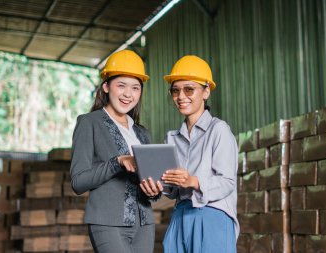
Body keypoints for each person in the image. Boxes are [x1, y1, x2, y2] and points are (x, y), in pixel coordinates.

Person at [140, 55, 239, 253]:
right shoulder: (172, 138)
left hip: (212, 216)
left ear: (206, 91)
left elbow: (228, 182)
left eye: (189, 89)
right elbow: (173, 189)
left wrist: (194, 181)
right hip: (180, 216)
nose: (181, 96)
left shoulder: (219, 130)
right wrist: (157, 188)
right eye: (175, 90)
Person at [70, 49, 158, 253]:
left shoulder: (142, 133)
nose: (128, 94)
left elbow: (150, 182)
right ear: (106, 86)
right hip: (107, 222)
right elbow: (78, 182)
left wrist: (154, 191)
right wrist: (116, 162)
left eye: (136, 88)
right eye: (121, 85)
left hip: (145, 224)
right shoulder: (88, 123)